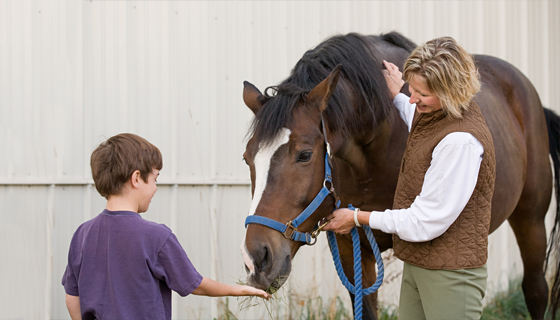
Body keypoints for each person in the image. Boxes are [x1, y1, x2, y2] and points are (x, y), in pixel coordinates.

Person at [323, 37, 496, 320]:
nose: (413, 99)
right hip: (420, 264)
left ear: (452, 91)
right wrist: (398, 93)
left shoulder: (460, 143)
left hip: (450, 276)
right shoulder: (442, 115)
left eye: (422, 94)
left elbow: (422, 222)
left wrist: (357, 218)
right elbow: (420, 122)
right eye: (412, 90)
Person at [62, 133, 269, 320]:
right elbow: (195, 285)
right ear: (136, 178)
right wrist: (239, 290)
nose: (155, 188)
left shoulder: (82, 234)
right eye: (155, 179)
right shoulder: (156, 236)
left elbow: (72, 297)